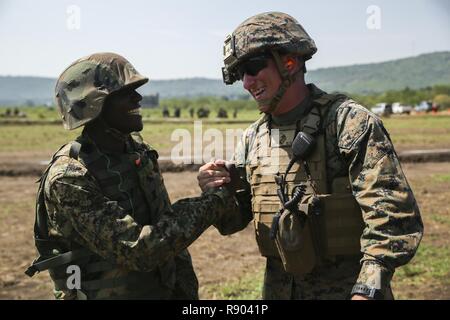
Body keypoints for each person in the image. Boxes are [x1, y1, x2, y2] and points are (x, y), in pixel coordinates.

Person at [197, 12, 423, 300]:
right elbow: (234, 220)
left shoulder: (347, 123)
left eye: (253, 67)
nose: (247, 82)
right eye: (240, 73)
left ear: (289, 62)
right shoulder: (253, 137)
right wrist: (217, 191)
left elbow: (394, 216)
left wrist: (367, 287)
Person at [25, 52, 238, 300]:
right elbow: (140, 250)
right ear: (94, 104)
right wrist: (215, 200)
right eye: (126, 93)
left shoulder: (137, 151)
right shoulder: (69, 177)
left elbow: (167, 233)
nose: (138, 98)